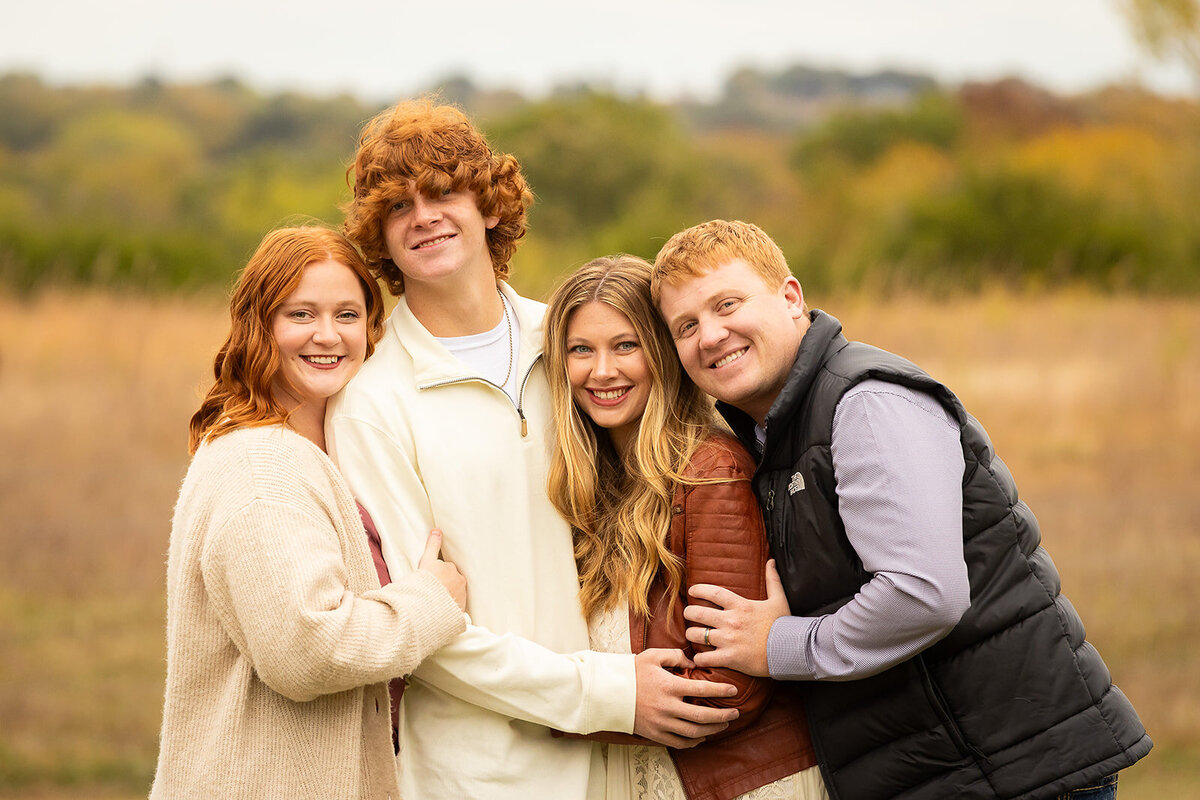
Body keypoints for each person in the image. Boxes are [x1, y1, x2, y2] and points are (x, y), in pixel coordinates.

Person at [651, 220, 1152, 800]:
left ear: (790, 298)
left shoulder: (866, 403)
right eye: (685, 326)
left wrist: (777, 644)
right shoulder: (769, 438)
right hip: (948, 770)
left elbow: (922, 595)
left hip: (1014, 774)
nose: (710, 335)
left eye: (727, 304)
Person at [327, 99, 738, 799]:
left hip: (636, 756)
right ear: (382, 240)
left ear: (489, 204)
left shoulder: (578, 347)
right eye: (398, 207)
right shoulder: (372, 405)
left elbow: (688, 471)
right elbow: (422, 635)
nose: (424, 215)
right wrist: (609, 693)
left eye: (443, 190)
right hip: (485, 770)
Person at [150, 226, 469, 800]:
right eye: (301, 314)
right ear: (259, 325)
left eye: (347, 314)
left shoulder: (331, 448)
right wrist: (431, 602)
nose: (328, 335)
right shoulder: (261, 465)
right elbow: (307, 652)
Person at [542, 254, 827, 800]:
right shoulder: (588, 486)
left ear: (665, 353)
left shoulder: (708, 470)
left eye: (626, 346)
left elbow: (729, 687)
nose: (602, 371)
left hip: (741, 783)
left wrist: (552, 707)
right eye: (582, 349)